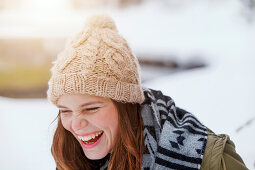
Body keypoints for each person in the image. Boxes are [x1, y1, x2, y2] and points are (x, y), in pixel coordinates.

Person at [47, 14, 248, 170]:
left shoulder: (206, 159)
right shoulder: (71, 159)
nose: (75, 124)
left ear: (126, 105)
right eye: (65, 110)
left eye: (91, 108)